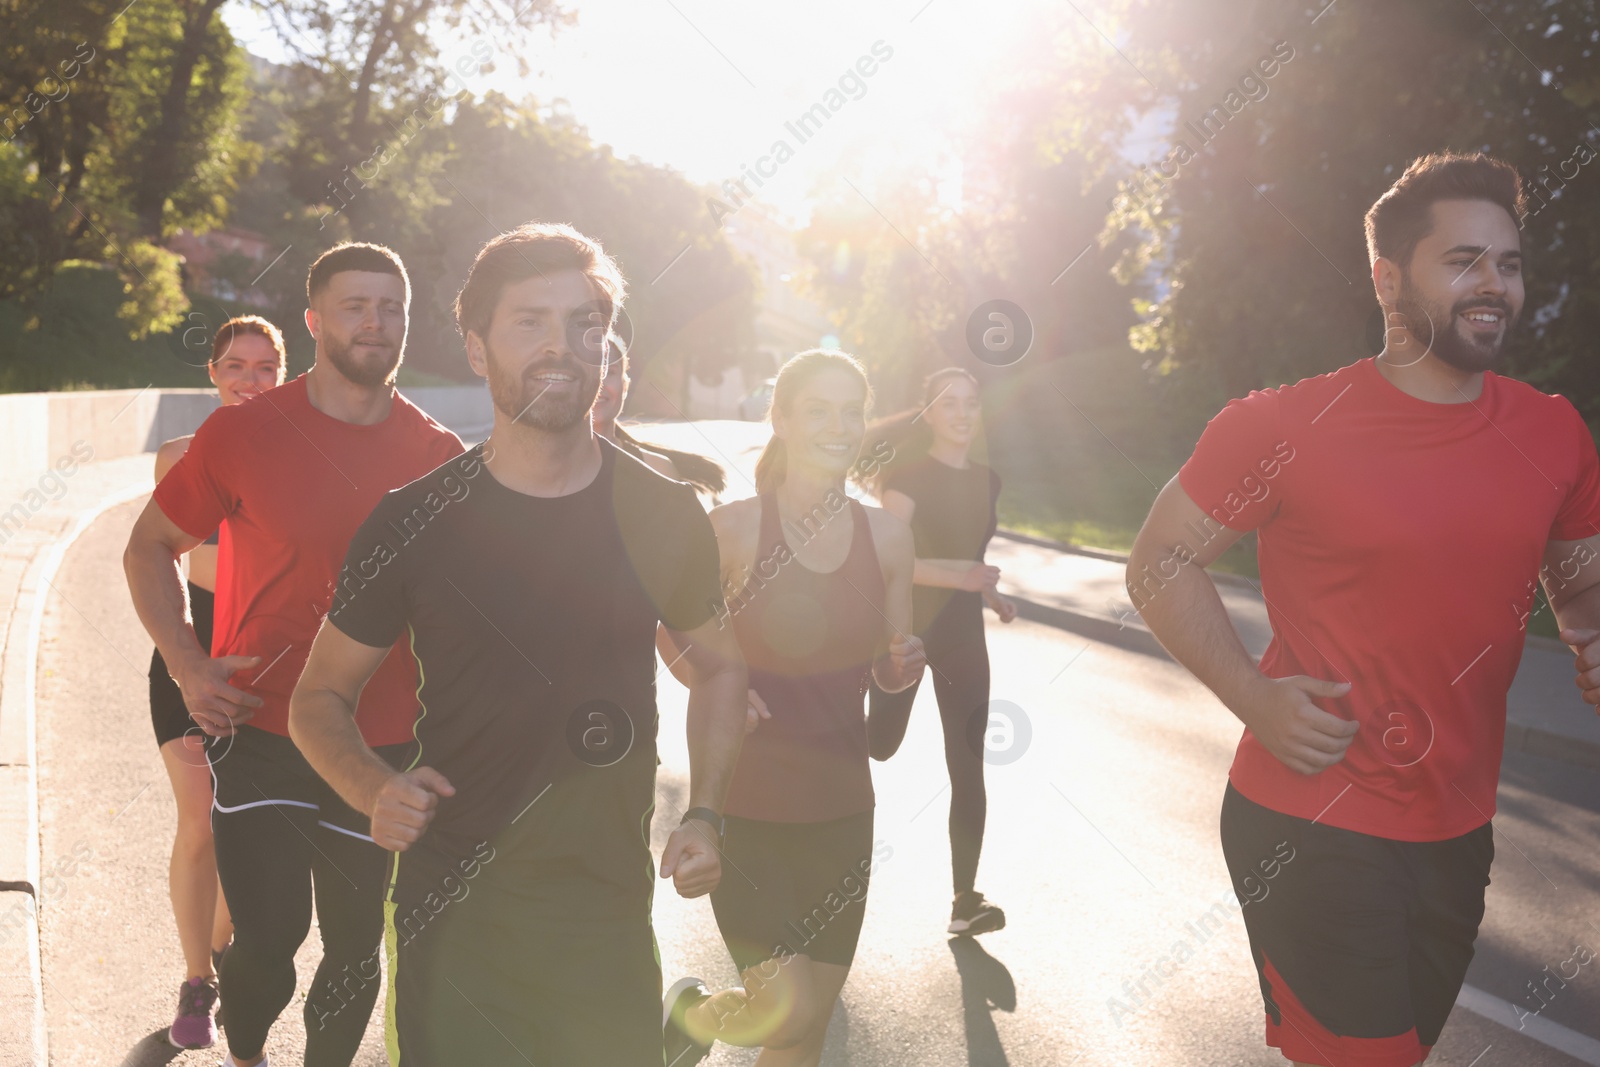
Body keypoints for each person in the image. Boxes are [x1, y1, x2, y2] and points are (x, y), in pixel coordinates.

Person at [1128, 151, 1600, 1067]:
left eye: (1507, 263)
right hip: (1309, 821)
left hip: (1459, 828)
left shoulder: (1554, 428)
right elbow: (1159, 559)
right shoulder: (1282, 427)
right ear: (1389, 279)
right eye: (1463, 261)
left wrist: (1590, 634)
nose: (1494, 285)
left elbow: (1580, 580)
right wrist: (1253, 698)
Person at [288, 222, 749, 1066]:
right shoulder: (411, 521)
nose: (562, 347)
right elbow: (317, 698)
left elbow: (719, 669)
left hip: (605, 915)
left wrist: (709, 812)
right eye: (529, 322)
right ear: (475, 347)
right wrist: (373, 788)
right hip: (454, 916)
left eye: (584, 323)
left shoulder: (661, 512)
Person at [124, 243, 464, 1067]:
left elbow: (473, 611)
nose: (375, 322)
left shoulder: (438, 456)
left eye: (391, 308)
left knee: (353, 950)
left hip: (377, 744)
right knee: (267, 946)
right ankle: (245, 1053)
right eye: (354, 305)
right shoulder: (242, 435)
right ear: (314, 321)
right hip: (261, 733)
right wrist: (187, 662)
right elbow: (149, 547)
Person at [661, 349, 925, 1067]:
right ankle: (699, 1012)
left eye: (852, 411)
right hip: (749, 803)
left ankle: (697, 1016)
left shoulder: (889, 538)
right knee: (792, 1009)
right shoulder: (738, 528)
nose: (839, 425)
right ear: (781, 417)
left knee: (804, 1034)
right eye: (819, 409)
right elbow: (675, 631)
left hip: (842, 810)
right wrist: (717, 684)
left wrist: (900, 671)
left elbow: (887, 667)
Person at [150, 316, 286, 1050]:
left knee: (247, 831)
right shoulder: (181, 454)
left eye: (267, 367)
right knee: (201, 819)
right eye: (235, 365)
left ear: (286, 375)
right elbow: (185, 562)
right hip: (191, 653)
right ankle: (198, 981)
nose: (250, 379)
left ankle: (228, 950)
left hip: (268, 663)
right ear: (211, 372)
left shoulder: (301, 454)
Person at [858, 367, 1015, 937]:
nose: (962, 413)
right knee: (879, 746)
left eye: (971, 403)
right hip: (906, 632)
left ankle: (964, 900)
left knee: (969, 763)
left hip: (964, 637)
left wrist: (988, 591)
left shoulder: (989, 479)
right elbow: (885, 561)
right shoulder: (907, 478)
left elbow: (968, 553)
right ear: (929, 414)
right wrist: (961, 575)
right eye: (949, 403)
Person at [592, 330, 727, 500]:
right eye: (589, 370)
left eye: (609, 372)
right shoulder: (550, 468)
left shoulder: (657, 468)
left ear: (625, 387)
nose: (598, 383)